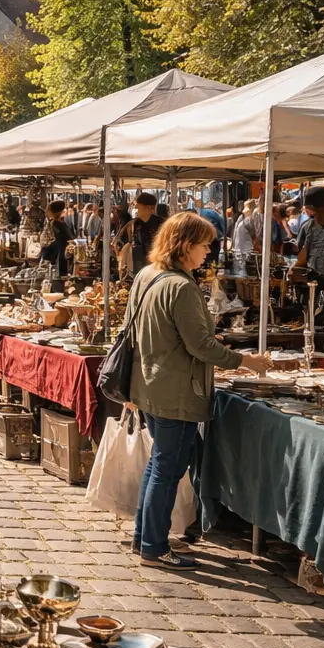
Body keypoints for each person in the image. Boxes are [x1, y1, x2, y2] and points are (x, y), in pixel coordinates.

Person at [127, 212, 271, 568]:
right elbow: (201, 347)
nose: (209, 251)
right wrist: (247, 361)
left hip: (150, 384)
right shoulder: (181, 286)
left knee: (160, 464)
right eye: (205, 244)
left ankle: (144, 537)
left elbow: (162, 332)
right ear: (186, 245)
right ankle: (154, 547)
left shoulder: (148, 275)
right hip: (174, 390)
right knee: (167, 467)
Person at [113, 192, 165, 278]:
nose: (136, 210)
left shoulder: (161, 224)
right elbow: (130, 242)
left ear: (148, 207)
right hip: (138, 266)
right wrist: (122, 256)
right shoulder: (135, 223)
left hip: (157, 267)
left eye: (139, 208)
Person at [39, 200, 72, 275]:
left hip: (56, 256)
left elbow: (63, 240)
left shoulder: (56, 224)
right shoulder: (59, 223)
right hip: (59, 255)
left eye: (48, 209)